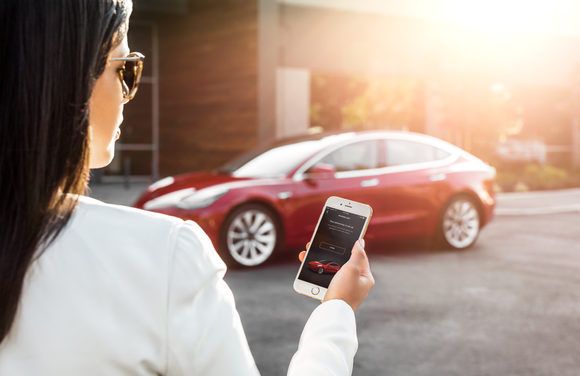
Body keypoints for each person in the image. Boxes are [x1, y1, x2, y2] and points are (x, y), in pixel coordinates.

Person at [0, 0, 374, 375]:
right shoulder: (165, 257)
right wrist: (336, 312)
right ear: (64, 77)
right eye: (127, 69)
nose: (132, 92)